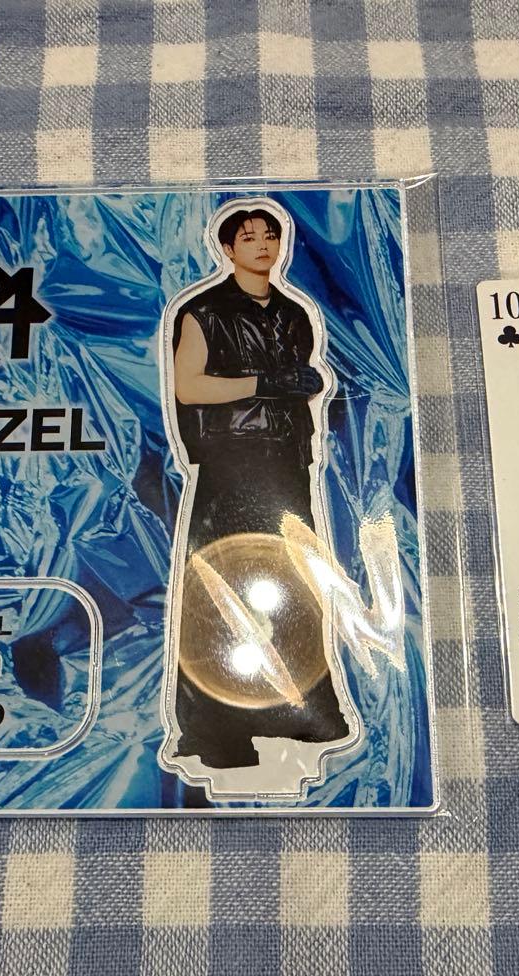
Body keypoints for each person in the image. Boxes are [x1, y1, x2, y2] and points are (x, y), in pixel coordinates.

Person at [167, 205, 349, 768]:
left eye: (270, 235)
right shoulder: (204, 311)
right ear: (228, 249)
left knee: (294, 585)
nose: (263, 244)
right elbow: (188, 387)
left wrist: (308, 385)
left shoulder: (293, 312)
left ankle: (295, 708)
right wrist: (264, 383)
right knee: (219, 588)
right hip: (231, 463)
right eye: (248, 238)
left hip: (287, 462)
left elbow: (300, 382)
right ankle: (216, 731)